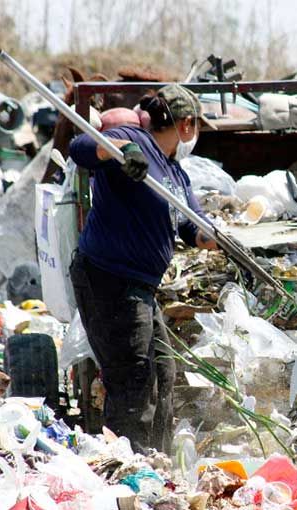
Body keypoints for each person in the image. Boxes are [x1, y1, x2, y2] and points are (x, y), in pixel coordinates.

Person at [69, 84, 217, 453]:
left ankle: (158, 462)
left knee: (163, 372)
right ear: (186, 125)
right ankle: (129, 471)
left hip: (140, 287)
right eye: (197, 127)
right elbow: (81, 149)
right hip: (109, 279)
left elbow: (191, 222)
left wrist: (209, 236)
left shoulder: (174, 172)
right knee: (133, 380)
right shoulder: (133, 138)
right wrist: (117, 151)